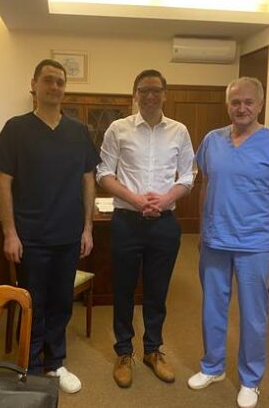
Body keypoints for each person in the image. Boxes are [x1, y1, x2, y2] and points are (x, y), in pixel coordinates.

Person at [187, 77, 269, 408]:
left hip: (254, 243)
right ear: (228, 105)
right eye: (235, 102)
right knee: (212, 308)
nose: (241, 108)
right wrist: (202, 230)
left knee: (254, 316)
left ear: (260, 105)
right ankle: (212, 367)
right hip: (215, 240)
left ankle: (251, 380)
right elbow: (205, 186)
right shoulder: (212, 140)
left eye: (248, 102)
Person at [0, 59, 100, 394]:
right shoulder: (16, 129)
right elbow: (4, 183)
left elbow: (88, 180)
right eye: (48, 80)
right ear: (33, 85)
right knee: (33, 303)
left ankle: (55, 363)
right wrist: (10, 233)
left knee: (61, 303)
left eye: (60, 82)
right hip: (31, 237)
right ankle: (32, 367)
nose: (54, 87)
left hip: (68, 235)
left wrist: (88, 229)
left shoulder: (78, 132)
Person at [97, 69, 195, 388]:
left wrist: (164, 200)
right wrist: (136, 200)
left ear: (165, 94)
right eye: (144, 90)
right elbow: (104, 173)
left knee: (157, 291)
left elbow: (188, 176)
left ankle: (153, 350)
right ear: (135, 94)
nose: (150, 95)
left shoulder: (179, 131)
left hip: (164, 224)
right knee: (123, 289)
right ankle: (124, 353)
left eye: (156, 90)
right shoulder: (118, 129)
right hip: (127, 221)